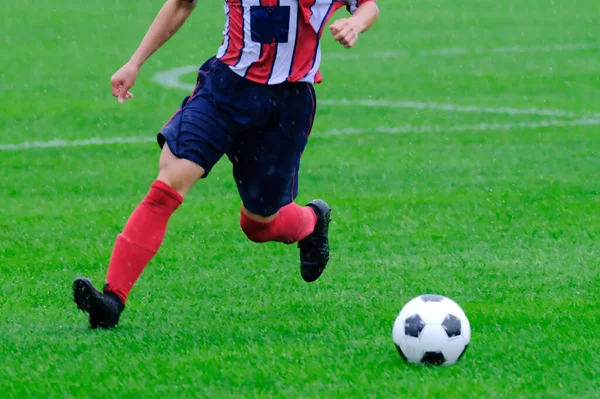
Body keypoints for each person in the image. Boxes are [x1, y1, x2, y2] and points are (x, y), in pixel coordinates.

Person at [73, 0, 379, 329]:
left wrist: (356, 24)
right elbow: (181, 4)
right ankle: (112, 299)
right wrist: (134, 62)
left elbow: (367, 5)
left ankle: (311, 219)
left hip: (286, 108)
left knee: (259, 225)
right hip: (225, 90)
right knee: (169, 182)